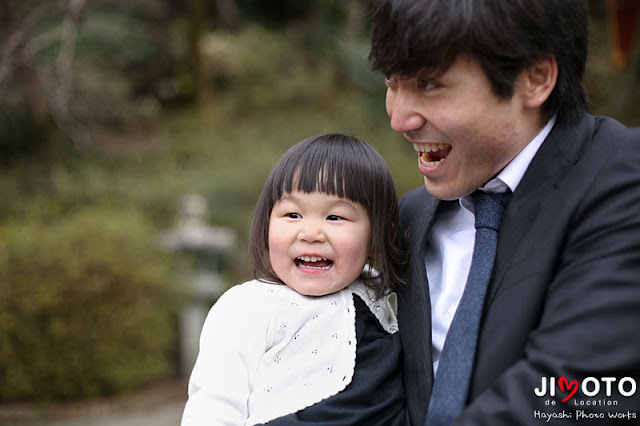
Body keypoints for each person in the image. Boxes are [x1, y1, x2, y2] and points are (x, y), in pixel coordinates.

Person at [368, 0, 640, 425]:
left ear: (535, 79)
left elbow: (576, 395)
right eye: (391, 81)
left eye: (428, 84)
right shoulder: (410, 217)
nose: (399, 118)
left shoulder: (622, 179)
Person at [181, 133, 410, 425]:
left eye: (335, 217)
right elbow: (214, 404)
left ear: (378, 238)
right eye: (292, 214)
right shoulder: (250, 305)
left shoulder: (383, 294)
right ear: (266, 225)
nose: (310, 233)